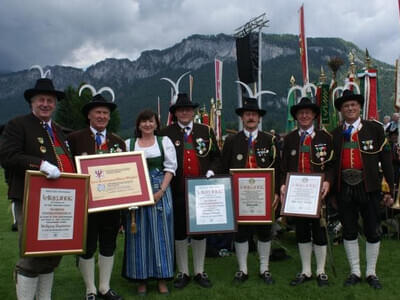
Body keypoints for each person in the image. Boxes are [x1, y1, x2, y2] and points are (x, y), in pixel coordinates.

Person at [0, 76, 75, 299]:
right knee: (33, 254)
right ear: (31, 102)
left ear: (55, 104)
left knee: (53, 253)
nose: (45, 104)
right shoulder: (18, 125)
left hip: (61, 199)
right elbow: (7, 156)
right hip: (30, 197)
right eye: (40, 99)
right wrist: (39, 164)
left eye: (50, 100)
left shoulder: (60, 131)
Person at [332, 90, 394, 289]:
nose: (350, 108)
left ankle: (371, 272)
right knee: (348, 230)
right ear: (341, 110)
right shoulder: (335, 133)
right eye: (346, 106)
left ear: (359, 107)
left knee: (372, 230)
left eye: (353, 105)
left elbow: (387, 162)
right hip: (344, 189)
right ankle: (355, 272)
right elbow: (331, 166)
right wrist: (332, 192)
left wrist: (389, 191)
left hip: (370, 187)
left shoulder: (374, 130)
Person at [68, 87, 125, 300]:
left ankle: (104, 287)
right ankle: (90, 289)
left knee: (109, 243)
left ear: (109, 117)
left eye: (105, 113)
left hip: (111, 205)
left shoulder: (118, 142)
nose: (102, 116)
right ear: (89, 115)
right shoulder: (75, 139)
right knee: (87, 245)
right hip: (86, 204)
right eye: (97, 112)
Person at [159, 93, 221, 289]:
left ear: (193, 112)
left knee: (199, 231)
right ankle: (183, 271)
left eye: (188, 109)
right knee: (179, 231)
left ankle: (199, 271)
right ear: (175, 113)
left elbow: (216, 157)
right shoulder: (165, 133)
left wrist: (211, 172)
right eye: (180, 109)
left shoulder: (206, 130)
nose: (184, 112)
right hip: (176, 190)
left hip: (201, 191)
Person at [220, 96, 280, 285]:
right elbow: (223, 167)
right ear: (242, 117)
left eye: (254, 114)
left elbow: (278, 168)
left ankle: (264, 268)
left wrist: (276, 192)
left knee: (264, 232)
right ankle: (242, 269)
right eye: (247, 114)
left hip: (265, 196)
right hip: (240, 196)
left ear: (259, 118)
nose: (251, 117)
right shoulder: (231, 141)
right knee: (241, 233)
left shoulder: (270, 140)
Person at [280, 97, 334, 287]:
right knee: (301, 232)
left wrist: (327, 181)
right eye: (300, 113)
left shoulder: (325, 138)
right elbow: (283, 166)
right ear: (296, 116)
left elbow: (331, 165)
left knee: (319, 232)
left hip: (317, 194)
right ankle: (305, 270)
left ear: (314, 116)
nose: (304, 115)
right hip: (297, 196)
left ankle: (320, 271)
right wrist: (282, 185)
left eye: (308, 113)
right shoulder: (289, 139)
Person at [122, 109, 177, 295]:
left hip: (159, 191)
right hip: (135, 192)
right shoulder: (129, 144)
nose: (147, 124)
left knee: (161, 235)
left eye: (151, 121)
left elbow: (170, 169)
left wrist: (161, 191)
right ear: (138, 124)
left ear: (156, 124)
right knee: (138, 236)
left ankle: (162, 279)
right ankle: (141, 279)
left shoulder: (164, 142)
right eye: (143, 121)